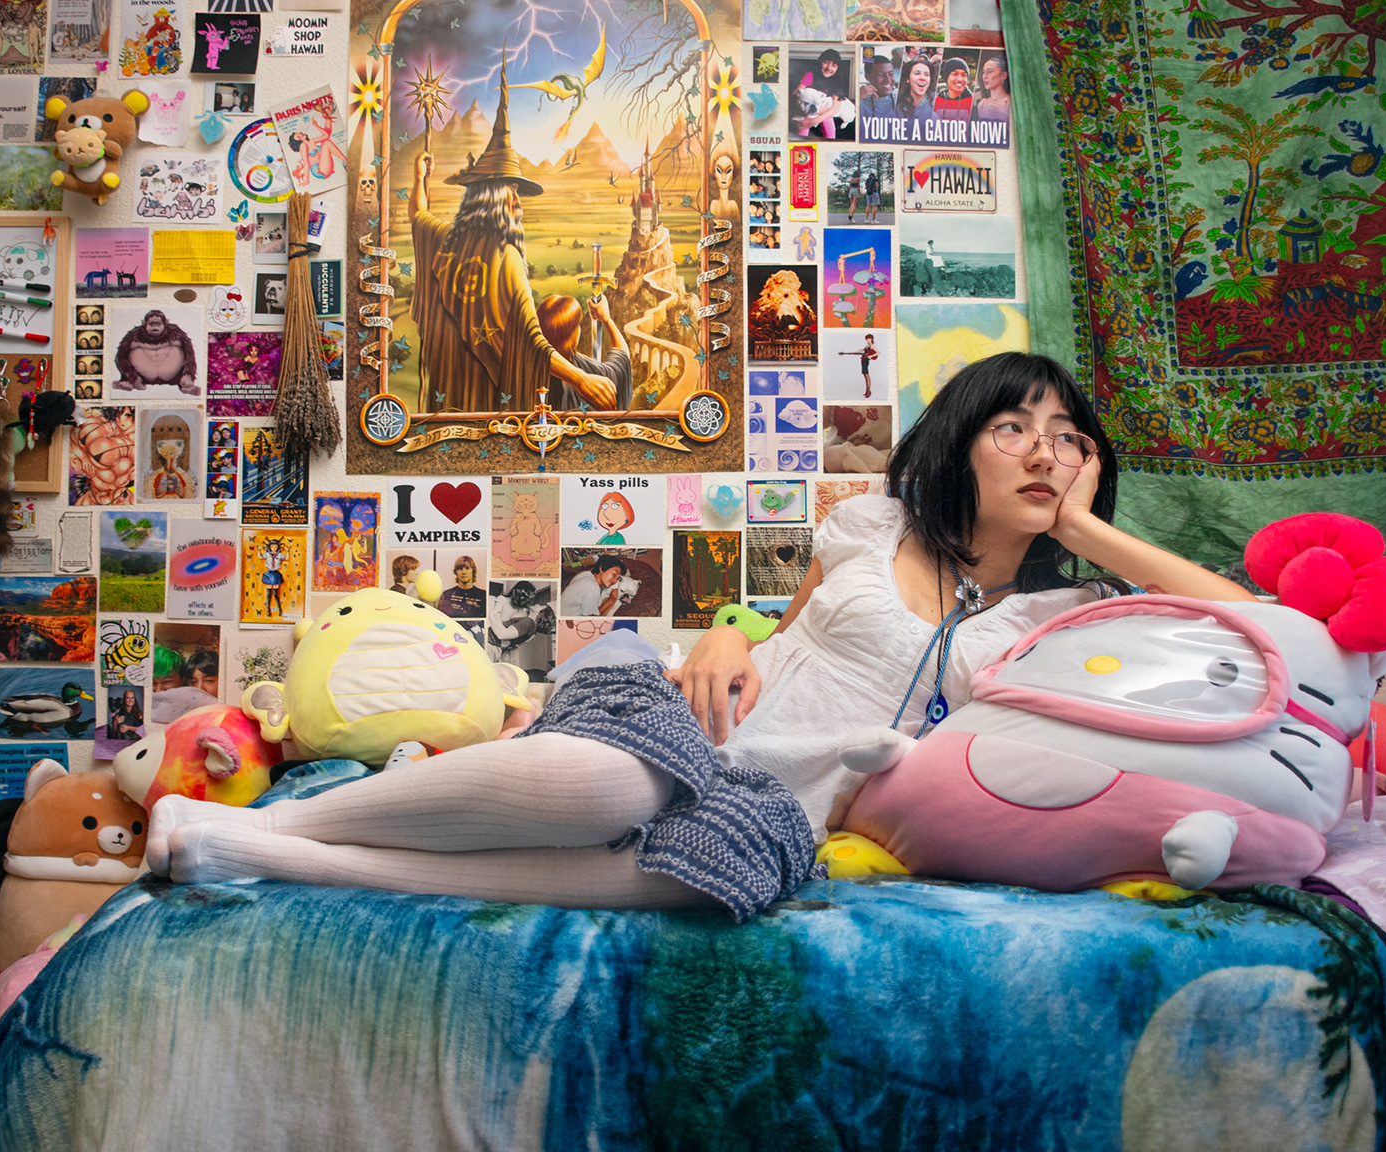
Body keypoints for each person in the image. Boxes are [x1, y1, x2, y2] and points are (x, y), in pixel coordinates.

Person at [144, 352, 1252, 921]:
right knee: (618, 789)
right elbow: (776, 629)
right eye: (1013, 426)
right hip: (677, 719)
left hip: (785, 808)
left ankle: (248, 849)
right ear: (963, 443)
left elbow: (1253, 628)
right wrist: (726, 631)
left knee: (708, 875)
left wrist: (1088, 532)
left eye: (1068, 437)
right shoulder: (874, 523)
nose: (1044, 451)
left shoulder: (1064, 617)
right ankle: (280, 823)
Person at [409, 66, 614, 415]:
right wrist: (581, 378)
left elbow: (418, 215)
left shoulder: (446, 240)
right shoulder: (505, 257)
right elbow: (532, 340)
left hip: (447, 396)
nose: (518, 203)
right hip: (488, 399)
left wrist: (418, 178)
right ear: (490, 196)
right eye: (511, 192)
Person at [537, 293, 631, 414]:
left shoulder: (526, 369)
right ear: (574, 335)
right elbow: (621, 361)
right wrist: (606, 319)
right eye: (577, 326)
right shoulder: (590, 375)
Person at [561, 554, 627, 617]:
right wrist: (610, 601)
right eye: (614, 574)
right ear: (602, 568)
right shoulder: (593, 587)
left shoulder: (585, 574)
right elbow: (591, 618)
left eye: (618, 578)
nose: (615, 580)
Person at [931, 56, 974, 123]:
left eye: (964, 75)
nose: (960, 79)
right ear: (946, 77)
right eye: (955, 74)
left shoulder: (973, 102)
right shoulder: (935, 101)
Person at [975, 51, 1012, 126]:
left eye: (990, 71)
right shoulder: (982, 104)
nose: (985, 76)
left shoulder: (1010, 102)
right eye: (983, 72)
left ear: (1003, 76)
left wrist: (1002, 114)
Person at [839, 332, 880, 398]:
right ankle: (867, 391)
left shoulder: (872, 346)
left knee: (867, 375)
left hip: (866, 361)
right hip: (863, 360)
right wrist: (854, 353)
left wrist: (870, 356)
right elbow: (861, 350)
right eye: (867, 339)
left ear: (872, 339)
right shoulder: (867, 346)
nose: (868, 340)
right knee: (865, 375)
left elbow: (878, 352)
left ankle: (868, 392)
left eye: (869, 339)